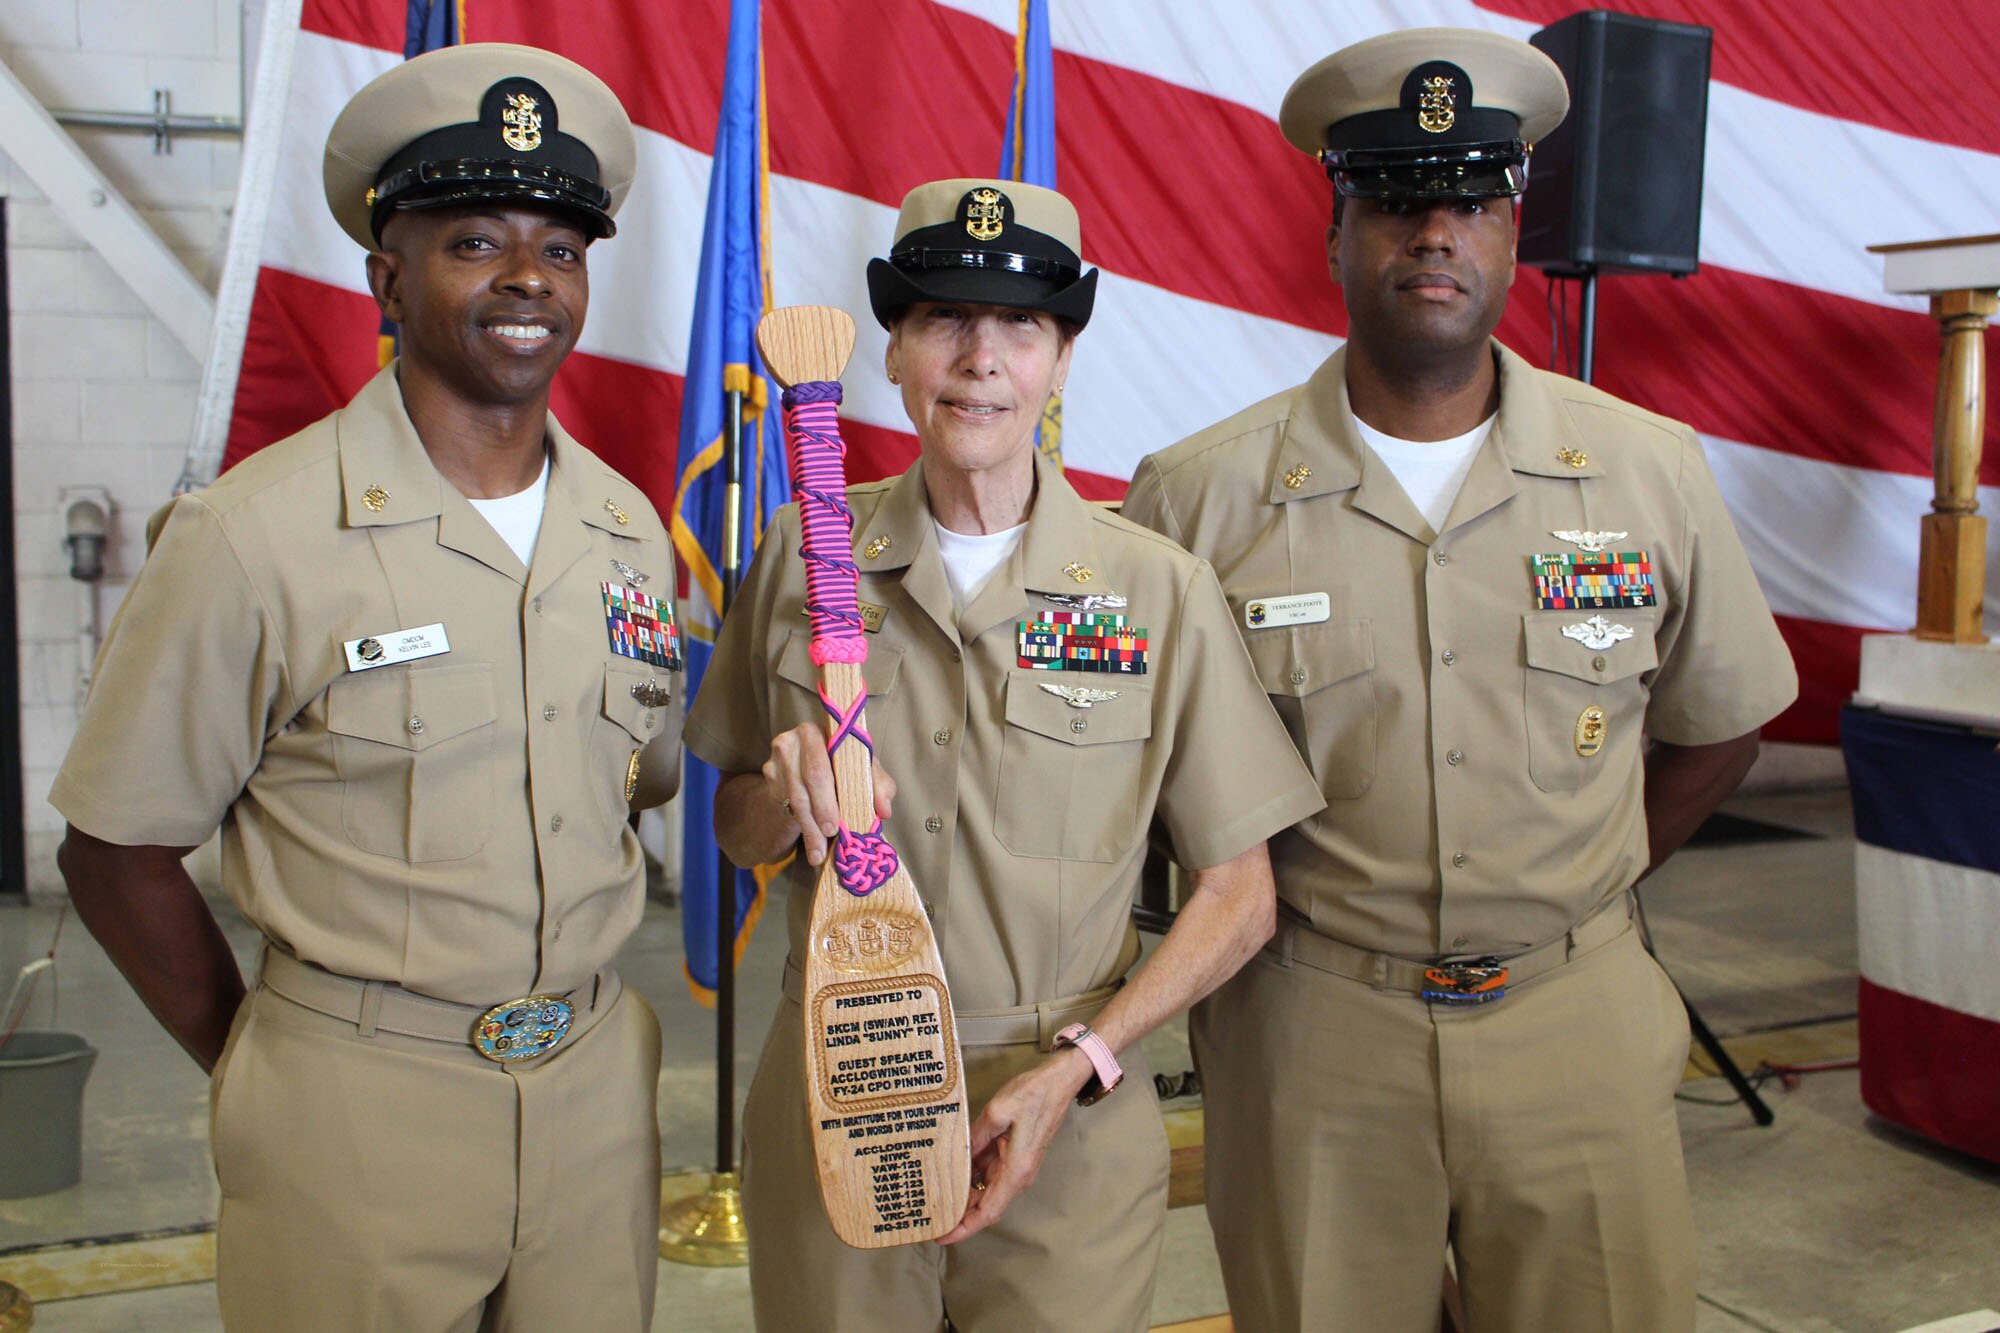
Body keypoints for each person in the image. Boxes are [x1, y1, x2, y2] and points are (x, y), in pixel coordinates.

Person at [1120, 28, 1800, 1333]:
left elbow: (1721, 730)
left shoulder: (1647, 469)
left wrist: (1582, 885)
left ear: (1510, 234)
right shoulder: (1197, 497)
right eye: (1394, 200)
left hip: (1575, 1020)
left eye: (1473, 201)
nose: (1436, 232)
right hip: (1314, 1031)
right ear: (1335, 235)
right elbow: (1141, 784)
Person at [50, 44, 680, 1332]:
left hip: (594, 1096)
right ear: (385, 273)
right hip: (356, 1109)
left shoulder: (623, 529)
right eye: (473, 241)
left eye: (559, 249)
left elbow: (632, 786)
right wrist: (264, 1060)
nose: (525, 280)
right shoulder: (252, 533)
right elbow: (115, 848)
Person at [685, 177, 1323, 1331]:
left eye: (1019, 324)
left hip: (1062, 1107)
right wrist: (777, 803)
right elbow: (731, 822)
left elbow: (1240, 894)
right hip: (841, 1085)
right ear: (892, 351)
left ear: (1061, 360)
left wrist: (1083, 1060)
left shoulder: (1154, 591)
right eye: (942, 317)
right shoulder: (802, 558)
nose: (980, 357)